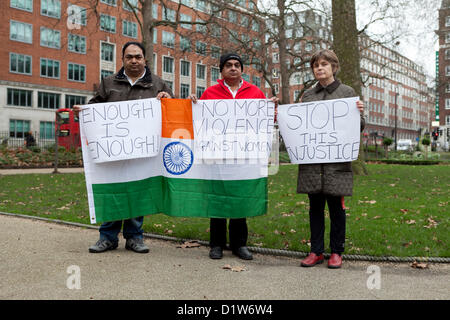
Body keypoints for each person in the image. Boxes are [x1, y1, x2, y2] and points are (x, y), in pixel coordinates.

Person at [74, 41, 173, 254]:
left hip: (142, 150)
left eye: (138, 57)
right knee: (112, 190)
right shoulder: (108, 82)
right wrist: (83, 112)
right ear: (123, 59)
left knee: (138, 191)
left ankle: (135, 238)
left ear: (145, 59)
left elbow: (172, 114)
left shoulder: (158, 84)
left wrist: (168, 100)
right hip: (114, 150)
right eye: (130, 57)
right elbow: (95, 106)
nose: (134, 61)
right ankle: (107, 237)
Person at [190, 53, 278, 260]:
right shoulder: (210, 93)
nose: (233, 68)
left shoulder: (255, 93)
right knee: (218, 199)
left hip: (244, 157)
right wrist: (192, 104)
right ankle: (217, 244)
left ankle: (240, 244)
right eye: (228, 65)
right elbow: (198, 120)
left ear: (242, 69)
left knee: (240, 199)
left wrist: (270, 109)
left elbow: (266, 123)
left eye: (237, 65)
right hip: (217, 156)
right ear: (221, 70)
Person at [297, 49, 365, 269]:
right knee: (314, 208)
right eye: (316, 65)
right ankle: (316, 251)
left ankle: (336, 251)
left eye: (324, 64)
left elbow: (358, 126)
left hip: (337, 164)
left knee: (337, 208)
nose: (319, 68)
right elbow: (300, 127)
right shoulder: (307, 95)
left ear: (334, 67)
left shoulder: (346, 93)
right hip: (313, 164)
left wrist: (359, 114)